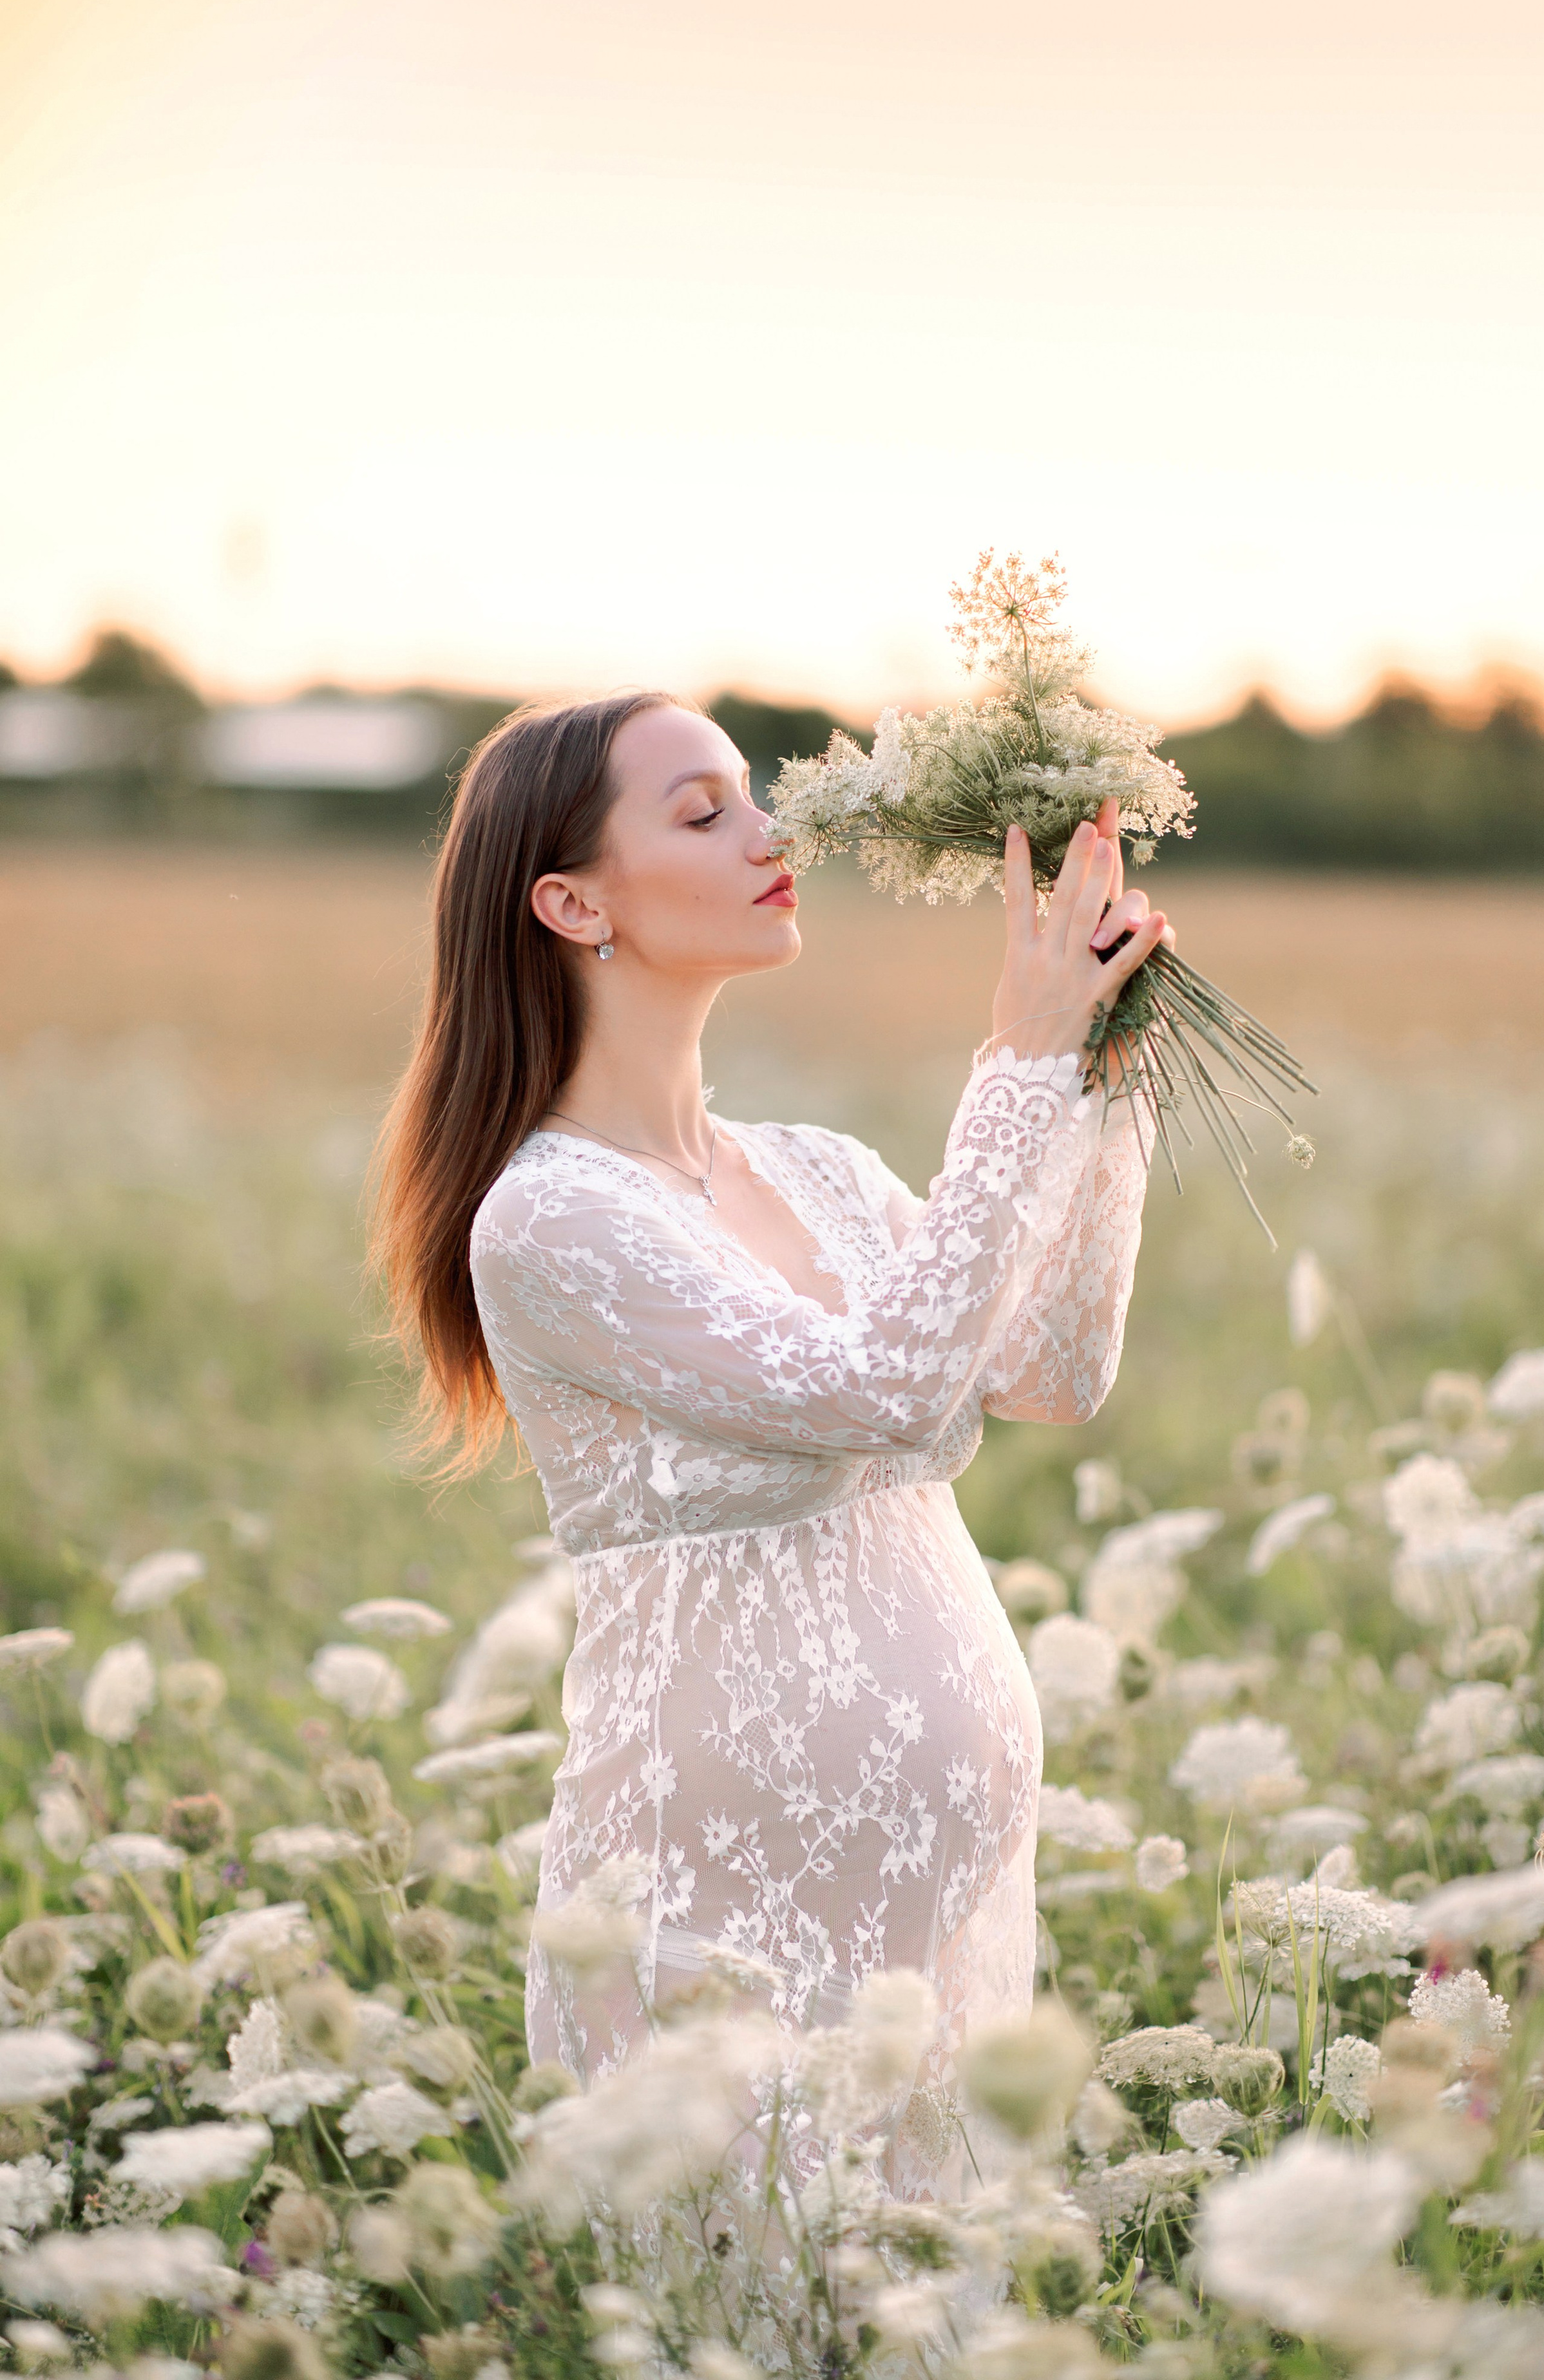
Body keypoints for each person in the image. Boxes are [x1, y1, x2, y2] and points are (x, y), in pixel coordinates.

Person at [373, 690, 1172, 2192]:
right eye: (705, 812)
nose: (772, 830)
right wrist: (1012, 1065)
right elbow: (882, 1390)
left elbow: (1044, 1372)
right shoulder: (550, 1220)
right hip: (716, 1938)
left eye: (755, 795)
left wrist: (1096, 1081)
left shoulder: (815, 1170)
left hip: (931, 1955)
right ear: (568, 901)